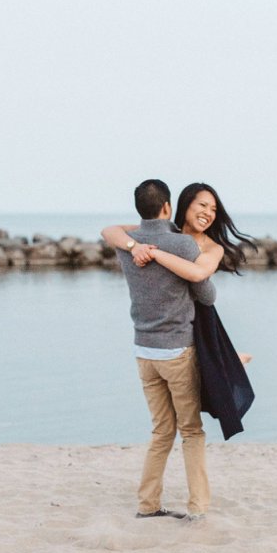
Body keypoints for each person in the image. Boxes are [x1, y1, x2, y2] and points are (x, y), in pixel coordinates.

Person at [103, 182, 257, 441]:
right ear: (183, 205)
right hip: (174, 317)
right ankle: (230, 360)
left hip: (201, 311)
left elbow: (198, 276)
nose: (208, 213)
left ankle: (229, 361)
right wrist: (135, 247)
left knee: (201, 382)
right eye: (203, 205)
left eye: (214, 209)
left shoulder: (212, 246)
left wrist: (153, 254)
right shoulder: (170, 232)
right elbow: (109, 230)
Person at [106, 179, 217, 522]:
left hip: (144, 352)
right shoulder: (182, 245)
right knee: (192, 431)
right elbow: (207, 295)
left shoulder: (129, 244)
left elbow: (109, 230)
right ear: (168, 207)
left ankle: (147, 504)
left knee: (161, 431)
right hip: (176, 352)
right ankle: (197, 508)